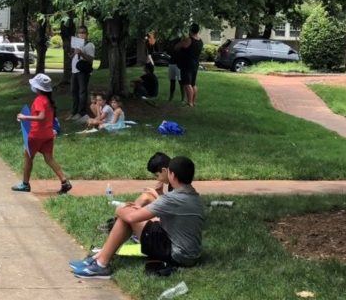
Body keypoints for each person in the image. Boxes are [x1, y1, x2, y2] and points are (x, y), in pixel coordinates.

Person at [71, 156, 204, 279]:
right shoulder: (194, 196)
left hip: (178, 255)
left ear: (172, 175)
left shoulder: (173, 198)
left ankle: (101, 263)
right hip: (189, 253)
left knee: (126, 218)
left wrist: (120, 209)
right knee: (132, 216)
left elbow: (131, 218)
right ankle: (99, 257)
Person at [13, 74, 72, 194]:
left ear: (38, 88)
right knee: (49, 159)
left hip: (36, 135)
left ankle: (25, 184)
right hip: (48, 135)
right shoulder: (49, 100)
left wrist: (24, 117)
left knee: (28, 158)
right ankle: (64, 181)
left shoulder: (40, 100)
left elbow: (41, 117)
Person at [70, 26, 96, 120]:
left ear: (87, 34)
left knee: (82, 92)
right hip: (74, 71)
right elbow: (73, 56)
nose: (81, 34)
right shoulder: (77, 44)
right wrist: (73, 54)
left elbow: (91, 59)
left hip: (83, 71)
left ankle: (81, 112)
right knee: (74, 91)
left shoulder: (89, 45)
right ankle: (74, 112)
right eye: (80, 32)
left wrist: (81, 53)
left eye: (83, 32)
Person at [178, 24, 204, 108]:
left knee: (187, 83)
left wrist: (181, 41)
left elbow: (179, 46)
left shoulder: (189, 40)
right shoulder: (200, 40)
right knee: (193, 84)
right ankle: (193, 102)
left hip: (187, 64)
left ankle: (189, 103)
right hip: (195, 63)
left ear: (191, 30)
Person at [167, 38, 184, 103]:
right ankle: (171, 96)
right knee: (172, 81)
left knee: (180, 81)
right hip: (172, 63)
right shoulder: (171, 42)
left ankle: (183, 98)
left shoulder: (182, 42)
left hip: (179, 64)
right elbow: (169, 52)